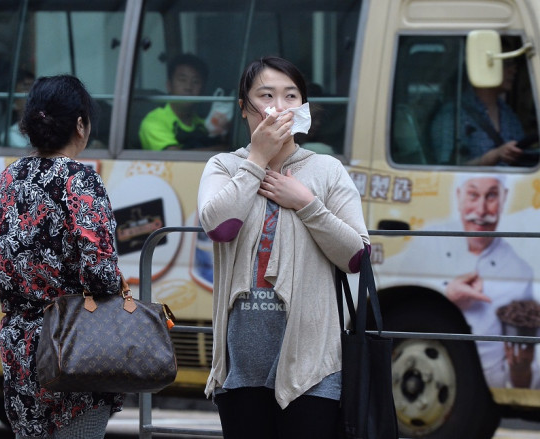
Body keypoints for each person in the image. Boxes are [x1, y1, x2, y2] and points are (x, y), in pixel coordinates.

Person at [197, 56, 369, 438]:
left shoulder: (326, 170)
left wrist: (306, 203)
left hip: (314, 367)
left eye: (291, 96)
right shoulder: (225, 167)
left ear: (304, 109)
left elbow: (356, 256)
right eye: (267, 95)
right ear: (244, 108)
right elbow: (220, 226)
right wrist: (257, 159)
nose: (279, 106)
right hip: (241, 367)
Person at [0, 74, 124, 438]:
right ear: (80, 125)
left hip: (21, 344)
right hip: (73, 343)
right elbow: (101, 273)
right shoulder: (80, 180)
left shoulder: (10, 177)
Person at [383, 174, 535, 388]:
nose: (481, 211)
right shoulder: (427, 242)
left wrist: (521, 368)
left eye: (491, 196)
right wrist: (447, 297)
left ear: (504, 198)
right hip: (427, 373)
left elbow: (525, 380)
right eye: (473, 195)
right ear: (459, 196)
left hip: (488, 385)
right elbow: (396, 308)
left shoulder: (520, 271)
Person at [430, 42, 526, 166]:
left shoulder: (508, 114)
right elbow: (445, 172)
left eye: (513, 64)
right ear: (483, 68)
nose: (513, 70)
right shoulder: (452, 115)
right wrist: (489, 159)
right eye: (506, 64)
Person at [139, 53, 227, 150]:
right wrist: (225, 149)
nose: (188, 87)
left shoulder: (205, 125)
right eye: (182, 80)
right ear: (169, 85)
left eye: (195, 81)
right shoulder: (154, 121)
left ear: (203, 89)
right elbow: (175, 159)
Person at [0, 69, 35, 147]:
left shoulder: (49, 131)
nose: (33, 95)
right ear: (14, 104)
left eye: (34, 88)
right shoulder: (10, 136)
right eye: (26, 89)